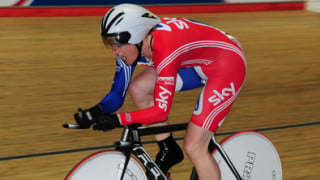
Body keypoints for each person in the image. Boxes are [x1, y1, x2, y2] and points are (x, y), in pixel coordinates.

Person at [73, 3, 246, 180]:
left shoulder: (165, 48)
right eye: (110, 43)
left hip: (226, 65)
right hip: (195, 63)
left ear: (137, 36)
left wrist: (118, 119)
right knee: (138, 88)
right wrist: (94, 112)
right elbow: (117, 95)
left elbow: (160, 112)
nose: (114, 51)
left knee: (195, 146)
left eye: (116, 43)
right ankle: (168, 147)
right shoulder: (134, 47)